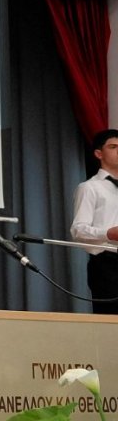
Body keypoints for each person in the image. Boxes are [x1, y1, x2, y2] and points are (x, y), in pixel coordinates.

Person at [71, 128, 118, 314]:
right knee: (110, 319)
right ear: (99, 154)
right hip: (108, 263)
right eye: (113, 147)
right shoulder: (89, 188)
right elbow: (78, 230)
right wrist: (108, 233)